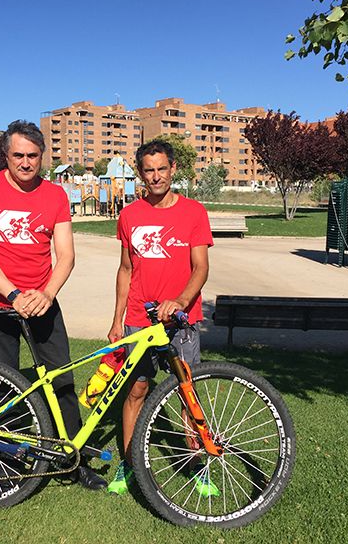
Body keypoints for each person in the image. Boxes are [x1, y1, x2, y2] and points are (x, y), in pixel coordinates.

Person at [0, 119, 107, 492]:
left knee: (62, 381)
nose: (25, 163)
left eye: (33, 156)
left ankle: (76, 459)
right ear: (6, 155)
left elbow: (66, 256)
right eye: (18, 155)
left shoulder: (55, 195)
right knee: (5, 386)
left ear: (42, 157)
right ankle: (6, 464)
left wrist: (46, 294)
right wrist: (13, 294)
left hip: (44, 303)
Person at [106, 137, 214, 496]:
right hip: (139, 318)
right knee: (136, 391)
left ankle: (198, 465)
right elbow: (125, 269)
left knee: (187, 394)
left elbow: (200, 268)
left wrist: (180, 301)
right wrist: (116, 319)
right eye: (148, 171)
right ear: (141, 174)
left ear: (173, 169)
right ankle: (128, 464)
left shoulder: (194, 212)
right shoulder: (130, 215)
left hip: (181, 321)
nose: (155, 177)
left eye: (161, 169)